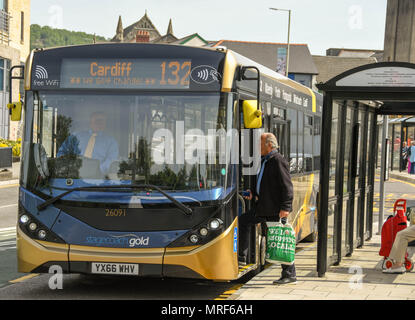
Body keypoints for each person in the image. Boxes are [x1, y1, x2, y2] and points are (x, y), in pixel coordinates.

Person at [239, 132, 296, 285]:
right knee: (243, 221)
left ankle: (289, 273)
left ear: (269, 145)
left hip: (274, 209)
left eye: (260, 144)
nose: (257, 147)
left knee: (281, 238)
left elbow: (287, 187)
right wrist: (253, 192)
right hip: (264, 207)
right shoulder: (267, 160)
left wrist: (285, 208)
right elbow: (264, 182)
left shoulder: (278, 161)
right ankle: (242, 258)